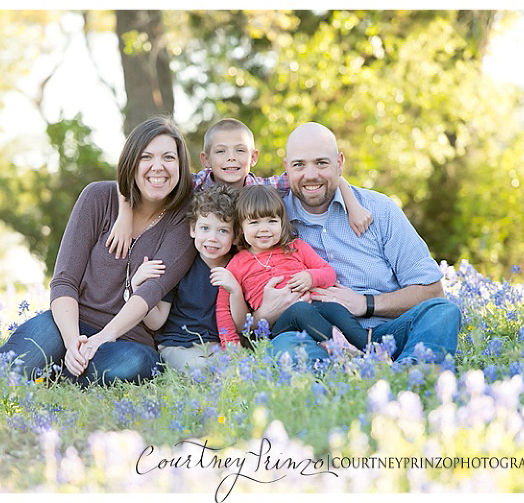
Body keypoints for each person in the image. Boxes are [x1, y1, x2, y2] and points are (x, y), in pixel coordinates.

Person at [0, 116, 197, 388]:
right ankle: (10, 368)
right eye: (146, 157)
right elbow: (64, 281)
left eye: (168, 158)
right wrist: (72, 341)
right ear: (131, 162)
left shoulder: (184, 220)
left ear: (180, 166)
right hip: (69, 323)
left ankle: (51, 376)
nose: (158, 167)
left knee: (136, 363)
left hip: (126, 340)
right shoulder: (98, 198)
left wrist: (103, 338)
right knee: (34, 350)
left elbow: (150, 291)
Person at [252, 122, 461, 366]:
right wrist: (264, 314)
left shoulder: (379, 210)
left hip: (384, 336)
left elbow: (431, 290)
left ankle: (409, 374)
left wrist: (366, 304)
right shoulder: (269, 219)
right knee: (284, 347)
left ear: (339, 163)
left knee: (442, 312)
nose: (310, 175)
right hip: (316, 340)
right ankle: (338, 386)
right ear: (286, 167)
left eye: (321, 163)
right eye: (299, 165)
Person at [105, 118, 373, 259]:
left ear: (253, 157)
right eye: (221, 151)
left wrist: (353, 204)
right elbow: (132, 178)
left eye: (240, 151)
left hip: (248, 265)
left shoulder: (261, 188)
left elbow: (309, 174)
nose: (231, 158)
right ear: (206, 160)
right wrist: (124, 217)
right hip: (205, 259)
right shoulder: (196, 183)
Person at [215, 185, 369, 352]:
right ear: (240, 228)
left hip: (314, 306)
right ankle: (341, 349)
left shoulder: (296, 247)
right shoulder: (236, 264)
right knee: (299, 310)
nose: (264, 228)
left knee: (336, 309)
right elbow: (223, 310)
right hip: (276, 326)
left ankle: (372, 351)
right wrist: (231, 349)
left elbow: (329, 273)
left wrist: (311, 277)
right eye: (254, 222)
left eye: (272, 221)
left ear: (282, 223)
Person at [130, 184, 243, 373]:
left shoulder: (237, 267)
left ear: (235, 236)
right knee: (199, 370)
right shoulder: (182, 266)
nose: (212, 238)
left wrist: (235, 290)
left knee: (242, 371)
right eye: (205, 228)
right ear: (192, 229)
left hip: (220, 345)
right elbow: (156, 322)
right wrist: (137, 286)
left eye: (223, 231)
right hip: (178, 346)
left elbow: (240, 325)